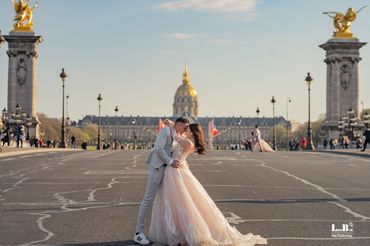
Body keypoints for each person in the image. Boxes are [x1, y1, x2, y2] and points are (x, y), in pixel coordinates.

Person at [149, 122, 267, 245]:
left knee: (179, 203)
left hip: (176, 172)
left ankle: (182, 231)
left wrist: (173, 125)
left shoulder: (188, 143)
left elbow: (174, 137)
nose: (184, 130)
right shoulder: (188, 141)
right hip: (175, 171)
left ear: (192, 131)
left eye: (187, 128)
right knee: (177, 203)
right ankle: (177, 230)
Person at [134, 117, 190, 245]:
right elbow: (158, 149)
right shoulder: (165, 131)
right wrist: (170, 162)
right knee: (148, 199)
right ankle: (138, 233)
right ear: (179, 125)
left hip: (166, 170)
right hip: (158, 167)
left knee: (163, 201)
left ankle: (164, 232)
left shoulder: (174, 132)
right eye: (184, 127)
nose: (185, 129)